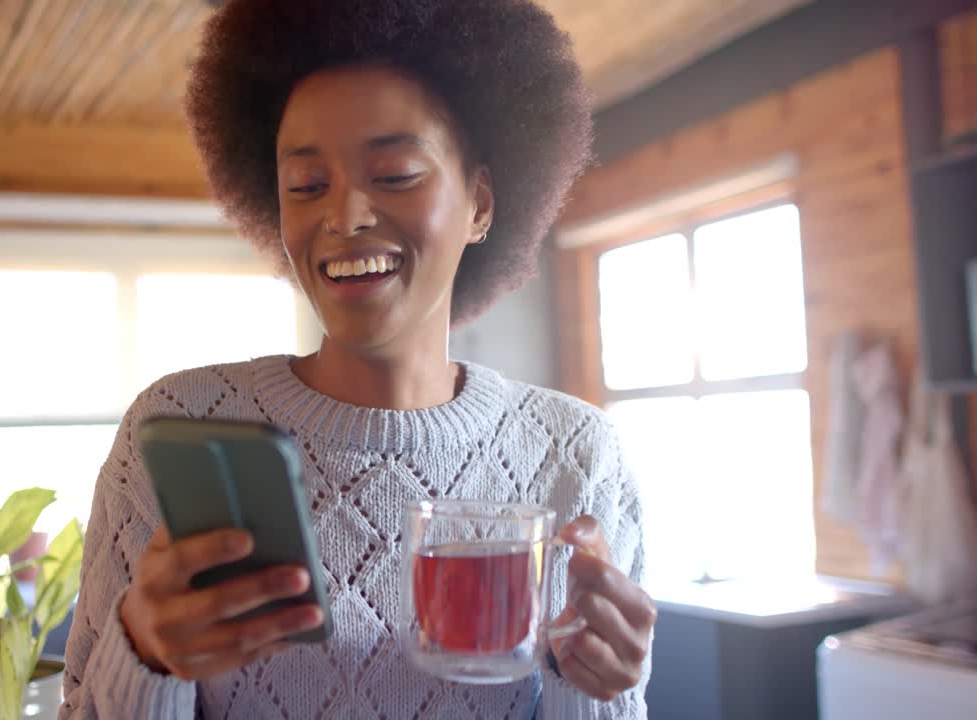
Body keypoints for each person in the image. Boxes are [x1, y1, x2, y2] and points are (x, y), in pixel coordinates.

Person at [60, 1, 657, 717]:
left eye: (397, 173)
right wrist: (145, 657)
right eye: (306, 186)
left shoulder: (577, 454)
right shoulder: (179, 423)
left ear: (480, 203)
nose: (344, 217)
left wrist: (597, 691)